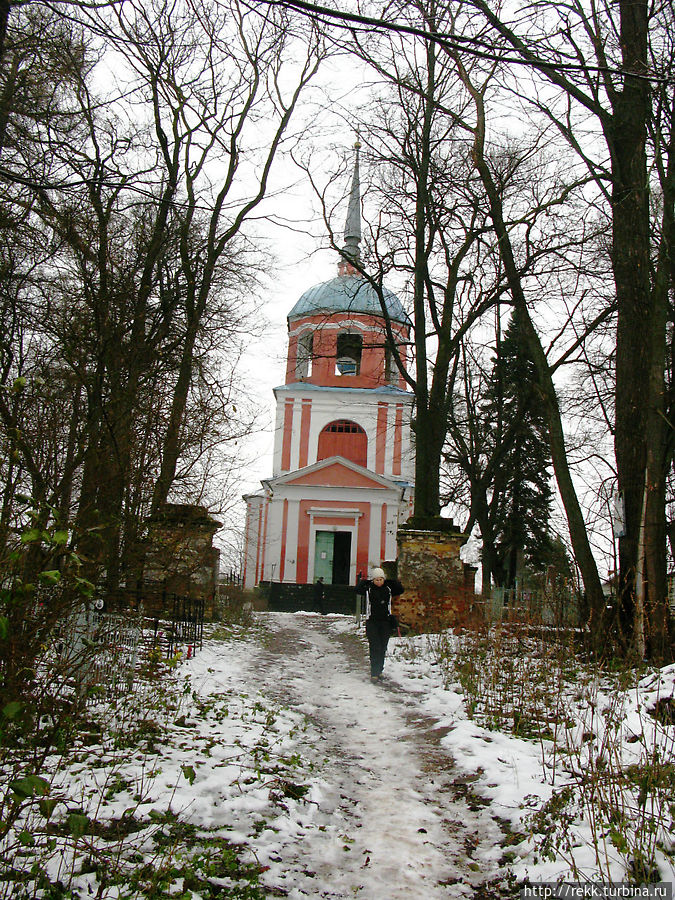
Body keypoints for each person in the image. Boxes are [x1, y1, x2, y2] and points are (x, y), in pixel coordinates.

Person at [356, 566, 404, 681]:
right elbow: (357, 589)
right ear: (373, 580)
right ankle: (374, 672)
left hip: (385, 622)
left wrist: (390, 581)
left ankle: (380, 670)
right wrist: (365, 582)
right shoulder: (369, 589)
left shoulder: (388, 588)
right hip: (372, 622)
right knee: (375, 647)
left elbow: (400, 589)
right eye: (376, 580)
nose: (379, 582)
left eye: (381, 579)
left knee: (382, 647)